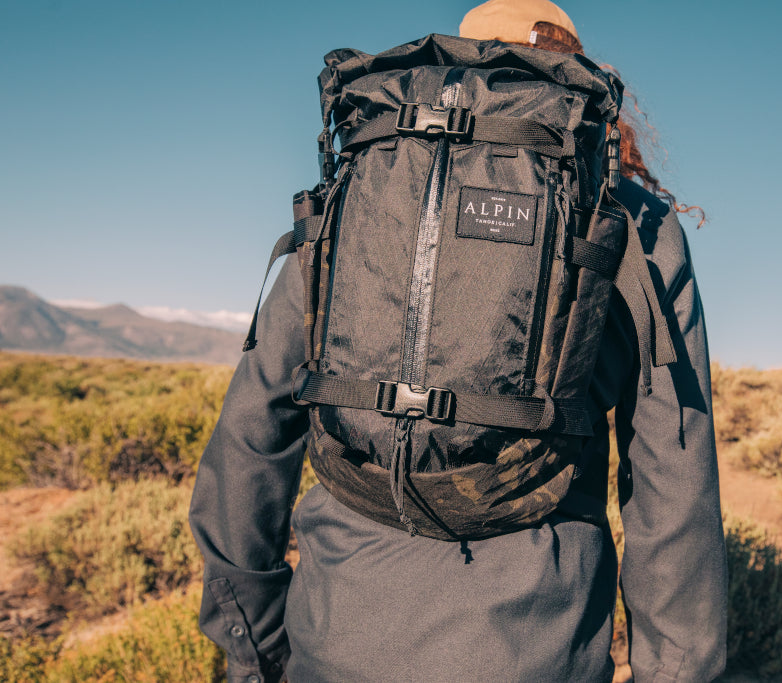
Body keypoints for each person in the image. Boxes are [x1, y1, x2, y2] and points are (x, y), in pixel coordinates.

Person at [189, 1, 727, 680]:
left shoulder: (360, 191)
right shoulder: (634, 222)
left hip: (335, 635)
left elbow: (252, 435)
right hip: (535, 648)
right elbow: (672, 485)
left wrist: (256, 645)